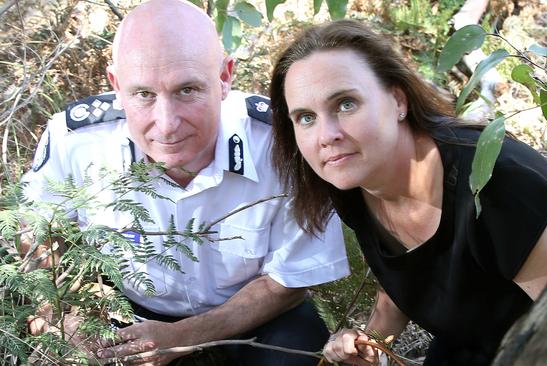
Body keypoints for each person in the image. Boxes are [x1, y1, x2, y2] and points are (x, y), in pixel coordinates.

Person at [21, 1, 349, 365]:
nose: (166, 124)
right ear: (116, 85)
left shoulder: (280, 142)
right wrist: (66, 313)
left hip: (254, 316)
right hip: (127, 311)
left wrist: (183, 336)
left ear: (224, 77)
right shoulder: (77, 142)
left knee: (299, 349)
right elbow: (40, 236)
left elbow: (287, 281)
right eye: (143, 94)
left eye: (187, 90)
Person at [269, 20, 547, 365]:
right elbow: (405, 276)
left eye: (346, 104)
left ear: (397, 101)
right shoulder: (354, 184)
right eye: (305, 118)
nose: (325, 135)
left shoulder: (496, 182)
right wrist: (370, 343)